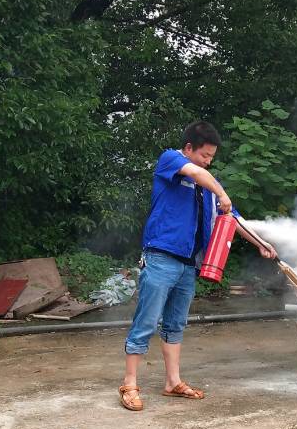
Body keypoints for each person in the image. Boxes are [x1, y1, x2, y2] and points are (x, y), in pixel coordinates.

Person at [119, 120, 278, 411]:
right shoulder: (171, 160)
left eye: (211, 158)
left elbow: (232, 218)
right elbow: (194, 172)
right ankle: (129, 384)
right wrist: (221, 191)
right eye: (205, 156)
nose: (207, 162)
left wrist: (260, 243)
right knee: (146, 321)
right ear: (189, 147)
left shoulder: (208, 187)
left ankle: (173, 382)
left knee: (175, 324)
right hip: (161, 257)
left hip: (188, 265)